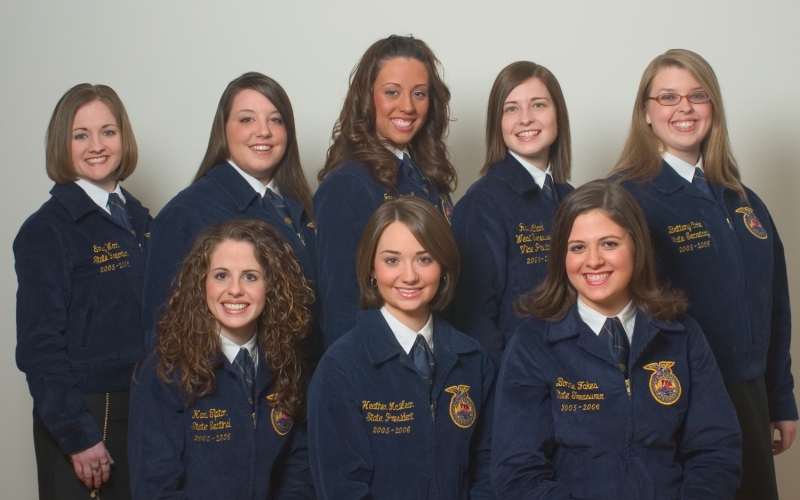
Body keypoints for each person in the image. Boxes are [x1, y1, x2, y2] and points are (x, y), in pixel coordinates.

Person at [609, 49, 796, 499]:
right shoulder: (626, 197)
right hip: (675, 399)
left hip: (748, 395)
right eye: (668, 97)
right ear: (646, 113)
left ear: (714, 108)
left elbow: (775, 301)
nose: (684, 108)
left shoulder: (743, 199)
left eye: (698, 95)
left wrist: (780, 397)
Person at [492, 180, 742, 499]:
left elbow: (716, 453)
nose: (593, 260)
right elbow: (518, 473)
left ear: (636, 247)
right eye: (578, 247)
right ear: (561, 256)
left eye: (609, 244)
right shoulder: (532, 344)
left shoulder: (682, 335)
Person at [15, 83, 151, 499]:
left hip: (142, 405)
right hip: (89, 413)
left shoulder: (142, 221)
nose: (97, 145)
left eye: (108, 132)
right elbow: (40, 349)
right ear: (63, 143)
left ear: (123, 138)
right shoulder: (47, 230)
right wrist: (77, 435)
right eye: (81, 135)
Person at [308, 197, 494, 499]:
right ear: (371, 268)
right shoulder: (341, 368)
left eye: (424, 259)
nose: (409, 276)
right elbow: (341, 487)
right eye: (392, 260)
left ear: (443, 267)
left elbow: (487, 469)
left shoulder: (473, 358)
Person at [129, 219, 315, 499]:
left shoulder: (286, 366)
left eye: (250, 276)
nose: (236, 290)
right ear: (201, 283)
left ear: (272, 286)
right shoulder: (165, 374)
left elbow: (297, 472)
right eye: (221, 276)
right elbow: (155, 490)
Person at [142, 72, 319, 359]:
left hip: (301, 388)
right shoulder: (186, 214)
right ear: (223, 130)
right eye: (247, 119)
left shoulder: (298, 207)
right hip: (232, 393)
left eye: (275, 119)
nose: (263, 131)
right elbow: (161, 331)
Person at [314, 35, 457, 347]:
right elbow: (340, 307)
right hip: (378, 368)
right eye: (392, 92)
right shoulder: (345, 185)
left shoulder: (427, 177)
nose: (407, 106)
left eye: (419, 94)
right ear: (367, 98)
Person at [449, 61, 573, 371]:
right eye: (511, 109)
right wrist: (511, 390)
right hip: (521, 386)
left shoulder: (572, 199)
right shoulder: (482, 203)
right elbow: (473, 320)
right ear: (497, 123)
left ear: (558, 114)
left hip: (576, 378)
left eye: (538, 105)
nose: (526, 119)